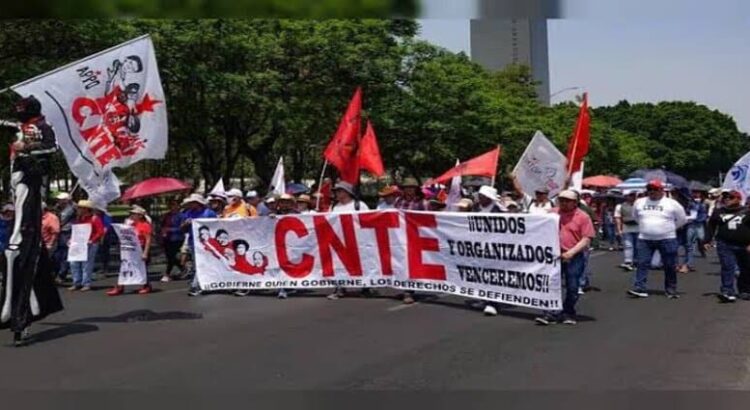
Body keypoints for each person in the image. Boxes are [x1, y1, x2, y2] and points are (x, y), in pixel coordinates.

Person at [0, 95, 63, 345]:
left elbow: (52, 147)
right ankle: (21, 313)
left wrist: (29, 148)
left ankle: (20, 316)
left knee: (21, 246)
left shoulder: (44, 127)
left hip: (31, 181)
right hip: (17, 184)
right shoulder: (20, 128)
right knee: (17, 248)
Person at [535, 190, 595, 326]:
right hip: (554, 255)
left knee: (572, 285)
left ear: (575, 202)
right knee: (550, 284)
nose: (563, 203)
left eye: (567, 201)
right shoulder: (552, 213)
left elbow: (586, 238)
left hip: (574, 255)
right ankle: (551, 313)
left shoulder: (583, 217)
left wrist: (572, 252)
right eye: (561, 200)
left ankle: (568, 311)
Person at [627, 180, 687, 299]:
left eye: (655, 189)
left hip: (667, 238)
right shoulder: (639, 202)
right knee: (642, 263)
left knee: (669, 265)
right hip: (645, 238)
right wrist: (646, 227)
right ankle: (640, 288)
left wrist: (670, 228)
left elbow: (682, 219)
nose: (652, 192)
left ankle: (670, 289)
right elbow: (635, 217)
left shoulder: (672, 203)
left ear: (662, 190)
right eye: (650, 189)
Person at [704, 190, 750, 302]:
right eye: (725, 197)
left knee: (746, 268)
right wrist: (707, 241)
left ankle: (745, 290)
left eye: (731, 197)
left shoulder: (747, 212)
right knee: (728, 267)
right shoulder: (718, 212)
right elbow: (711, 227)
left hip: (744, 245)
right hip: (725, 244)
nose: (727, 199)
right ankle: (727, 291)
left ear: (738, 199)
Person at [328, 181, 370, 300]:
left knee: (361, 264)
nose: (337, 193)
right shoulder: (335, 207)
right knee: (340, 264)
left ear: (347, 192)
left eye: (339, 191)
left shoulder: (359, 205)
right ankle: (340, 288)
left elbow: (367, 221)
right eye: (336, 191)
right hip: (340, 241)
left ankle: (365, 287)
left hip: (358, 240)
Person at [472, 185, 506, 316]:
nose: (480, 198)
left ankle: (493, 303)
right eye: (480, 196)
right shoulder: (475, 209)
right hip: (478, 247)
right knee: (481, 275)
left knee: (493, 275)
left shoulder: (497, 211)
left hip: (493, 248)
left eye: (483, 196)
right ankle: (484, 298)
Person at [106, 206, 153, 296]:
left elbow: (148, 239)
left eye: (134, 214)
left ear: (140, 216)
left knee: (141, 268)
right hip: (131, 249)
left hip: (141, 248)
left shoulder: (145, 225)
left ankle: (146, 286)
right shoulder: (131, 225)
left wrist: (145, 253)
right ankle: (120, 286)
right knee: (125, 266)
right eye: (131, 214)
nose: (131, 215)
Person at [184, 194, 219, 296]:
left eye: (192, 202)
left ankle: (196, 285)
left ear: (197, 203)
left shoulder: (209, 213)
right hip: (193, 242)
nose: (190, 204)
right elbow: (182, 228)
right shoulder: (189, 213)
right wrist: (186, 224)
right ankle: (199, 284)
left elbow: (216, 226)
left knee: (206, 263)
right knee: (197, 264)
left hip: (207, 243)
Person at [68, 200, 106, 292]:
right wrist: (70, 239)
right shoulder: (78, 219)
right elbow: (76, 232)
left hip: (90, 244)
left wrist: (92, 240)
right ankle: (76, 282)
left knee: (86, 264)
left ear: (86, 209)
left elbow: (100, 231)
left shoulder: (94, 218)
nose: (78, 210)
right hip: (78, 244)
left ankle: (86, 283)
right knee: (74, 263)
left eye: (80, 208)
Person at [160, 198, 185, 282]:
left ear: (178, 206)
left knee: (171, 256)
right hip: (167, 238)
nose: (172, 207)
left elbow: (182, 228)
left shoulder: (181, 216)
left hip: (177, 238)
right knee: (169, 256)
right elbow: (162, 225)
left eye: (174, 205)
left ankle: (167, 274)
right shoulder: (167, 215)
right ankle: (182, 267)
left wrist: (170, 230)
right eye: (170, 205)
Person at [615, 190, 640, 271]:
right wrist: (619, 229)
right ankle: (628, 261)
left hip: (638, 228)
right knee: (628, 245)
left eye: (633, 195)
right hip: (627, 228)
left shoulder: (639, 205)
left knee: (637, 246)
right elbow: (618, 218)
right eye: (630, 195)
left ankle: (636, 262)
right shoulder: (620, 206)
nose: (632, 197)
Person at [54, 192, 76, 282]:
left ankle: (62, 274)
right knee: (57, 255)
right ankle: (57, 272)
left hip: (67, 232)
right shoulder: (58, 209)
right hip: (59, 232)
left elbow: (63, 220)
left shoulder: (71, 209)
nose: (58, 201)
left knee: (65, 254)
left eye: (61, 199)